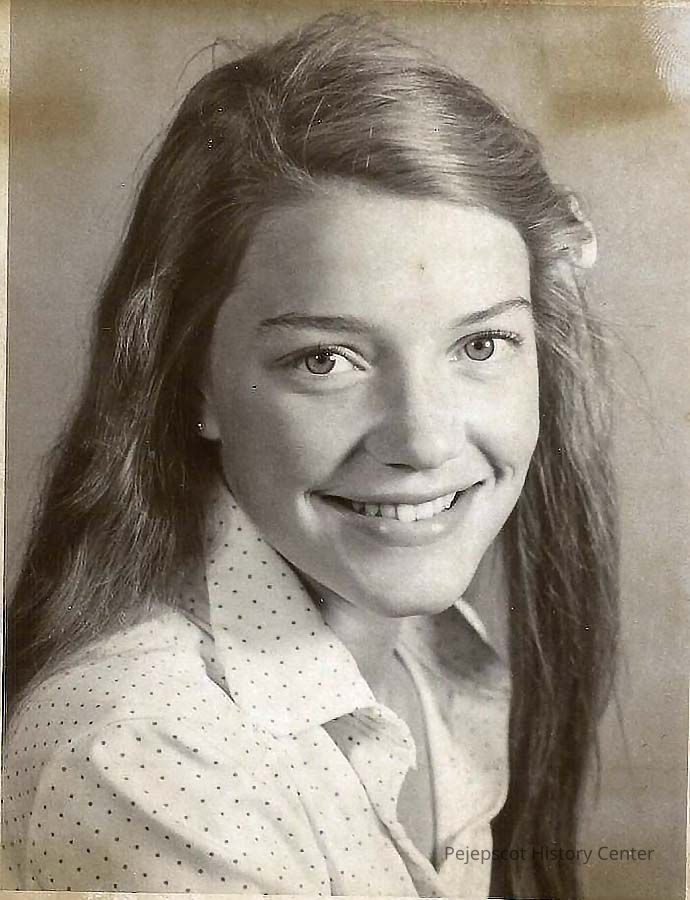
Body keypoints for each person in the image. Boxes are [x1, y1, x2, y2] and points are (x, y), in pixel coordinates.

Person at [2, 14, 618, 899]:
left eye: (481, 345)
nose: (424, 441)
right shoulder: (147, 758)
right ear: (193, 385)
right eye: (325, 360)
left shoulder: (438, 657)